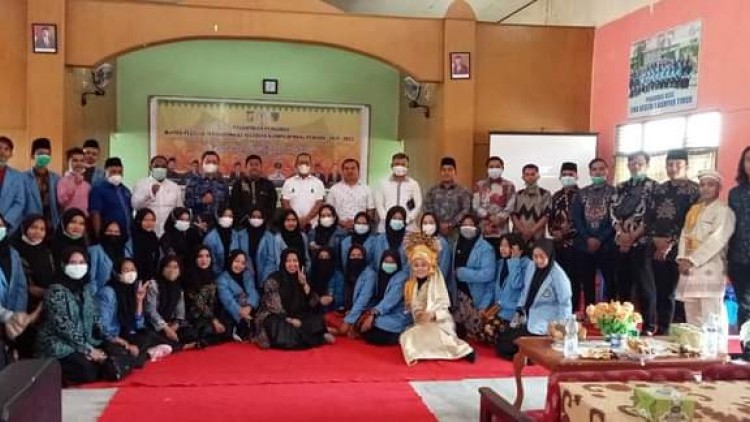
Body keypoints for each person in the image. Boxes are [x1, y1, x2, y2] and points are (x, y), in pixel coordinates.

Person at [676, 170, 734, 352]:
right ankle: (696, 352)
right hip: (689, 269)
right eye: (702, 185)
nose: (705, 188)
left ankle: (717, 353)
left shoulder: (724, 211)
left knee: (712, 315)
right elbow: (684, 235)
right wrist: (682, 258)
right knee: (692, 314)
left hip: (710, 268)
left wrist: (692, 260)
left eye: (710, 185)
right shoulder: (694, 210)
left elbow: (717, 240)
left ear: (719, 188)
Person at [646, 149, 699, 333]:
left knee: (678, 293)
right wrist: (655, 239)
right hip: (656, 247)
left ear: (686, 166)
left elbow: (691, 221)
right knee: (660, 289)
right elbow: (648, 216)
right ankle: (661, 329)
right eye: (669, 164)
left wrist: (671, 242)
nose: (673, 168)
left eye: (677, 164)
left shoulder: (695, 191)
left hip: (681, 249)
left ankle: (678, 331)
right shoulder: (659, 189)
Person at [35, 247, 106, 385]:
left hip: (83, 340)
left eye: (81, 262)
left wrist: (102, 341)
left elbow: (94, 316)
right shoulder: (55, 291)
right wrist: (88, 350)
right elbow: (63, 327)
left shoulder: (85, 288)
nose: (78, 266)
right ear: (63, 265)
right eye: (73, 263)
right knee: (87, 372)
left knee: (107, 360)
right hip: (58, 342)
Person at [399, 235, 474, 365]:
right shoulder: (411, 284)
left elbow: (444, 310)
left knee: (412, 338)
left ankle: (461, 350)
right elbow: (413, 309)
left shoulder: (436, 282)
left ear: (430, 266)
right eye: (416, 265)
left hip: (439, 324)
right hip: (421, 324)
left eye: (423, 265)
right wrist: (419, 315)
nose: (420, 268)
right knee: (406, 336)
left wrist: (432, 315)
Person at [496, 239, 573, 359]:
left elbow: (565, 303)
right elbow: (525, 290)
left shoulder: (558, 276)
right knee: (502, 342)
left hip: (545, 323)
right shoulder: (531, 266)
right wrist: (519, 309)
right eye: (535, 256)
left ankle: (533, 357)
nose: (538, 260)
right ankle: (531, 356)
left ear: (549, 255)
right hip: (526, 318)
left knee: (511, 347)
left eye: (542, 257)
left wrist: (560, 330)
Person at [611, 151, 657, 334]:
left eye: (640, 163)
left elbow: (651, 215)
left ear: (647, 165)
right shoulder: (620, 187)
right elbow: (612, 212)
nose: (635, 166)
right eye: (632, 163)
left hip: (642, 243)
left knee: (645, 286)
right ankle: (624, 324)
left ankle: (649, 326)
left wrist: (633, 236)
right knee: (623, 285)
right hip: (621, 243)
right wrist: (621, 233)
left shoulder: (654, 187)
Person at [253, 249, 334, 349]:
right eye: (288, 261)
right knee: (277, 326)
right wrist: (291, 320)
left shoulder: (302, 277)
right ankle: (318, 338)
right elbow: (274, 307)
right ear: (283, 262)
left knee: (317, 319)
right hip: (279, 316)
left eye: (295, 261)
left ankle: (306, 335)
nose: (292, 264)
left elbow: (313, 303)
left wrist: (304, 284)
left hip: (299, 316)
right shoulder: (274, 279)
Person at [97, 258, 171, 369]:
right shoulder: (108, 292)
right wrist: (125, 344)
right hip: (110, 337)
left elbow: (138, 324)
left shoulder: (132, 289)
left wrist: (139, 300)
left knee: (149, 337)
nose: (130, 273)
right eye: (125, 270)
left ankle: (134, 358)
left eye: (132, 270)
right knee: (118, 353)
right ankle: (141, 356)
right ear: (117, 273)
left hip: (125, 334)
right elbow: (102, 328)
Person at [571, 158, 617, 310]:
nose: (598, 172)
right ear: (590, 172)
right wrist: (588, 238)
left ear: (607, 171)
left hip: (608, 245)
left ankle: (610, 314)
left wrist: (600, 239)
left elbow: (616, 219)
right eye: (594, 169)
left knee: (610, 282)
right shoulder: (581, 193)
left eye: (601, 169)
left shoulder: (614, 193)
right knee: (587, 282)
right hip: (584, 246)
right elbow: (577, 219)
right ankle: (590, 312)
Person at [11, 215, 53, 358]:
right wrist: (32, 290)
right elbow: (19, 280)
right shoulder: (15, 249)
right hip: (23, 299)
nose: (37, 232)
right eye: (33, 227)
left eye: (42, 229)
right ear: (24, 228)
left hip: (45, 297)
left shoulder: (46, 250)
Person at [482, 234, 533, 344]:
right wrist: (484, 306)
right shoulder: (500, 263)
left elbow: (516, 284)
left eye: (507, 246)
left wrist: (515, 260)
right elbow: (492, 288)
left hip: (514, 313)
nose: (502, 249)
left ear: (516, 247)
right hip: (499, 310)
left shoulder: (527, 264)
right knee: (480, 330)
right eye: (501, 245)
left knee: (489, 332)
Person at [452, 214, 496, 339]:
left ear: (477, 227)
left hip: (475, 299)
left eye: (471, 225)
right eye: (464, 225)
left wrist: (462, 273)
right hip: (457, 298)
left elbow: (488, 275)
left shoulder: (486, 248)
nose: (467, 227)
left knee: (476, 338)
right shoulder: (456, 244)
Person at [145, 256, 199, 351]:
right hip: (154, 324)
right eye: (168, 266)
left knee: (192, 332)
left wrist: (175, 325)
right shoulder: (153, 285)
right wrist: (166, 328)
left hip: (170, 323)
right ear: (162, 268)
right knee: (150, 336)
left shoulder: (178, 287)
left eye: (175, 267)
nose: (172, 270)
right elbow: (151, 311)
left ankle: (171, 345)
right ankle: (180, 346)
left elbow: (180, 312)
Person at [0, 213, 33, 366]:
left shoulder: (12, 253)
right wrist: (7, 316)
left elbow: (21, 286)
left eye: (1, 225)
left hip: (13, 318)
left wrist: (17, 316)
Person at [183, 247, 232, 347]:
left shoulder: (212, 275)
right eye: (200, 256)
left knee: (227, 325)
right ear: (194, 259)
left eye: (207, 256)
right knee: (204, 329)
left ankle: (205, 340)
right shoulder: (189, 277)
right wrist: (213, 320)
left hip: (211, 314)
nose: (204, 260)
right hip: (195, 315)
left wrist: (217, 318)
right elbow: (198, 302)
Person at [359, 252, 411, 346]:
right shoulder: (380, 276)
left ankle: (400, 337)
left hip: (398, 314)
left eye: (392, 262)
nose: (389, 265)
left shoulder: (401, 278)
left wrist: (373, 314)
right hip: (384, 313)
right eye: (386, 262)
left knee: (376, 330)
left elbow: (390, 300)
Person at [131, 155, 184, 238]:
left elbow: (179, 211)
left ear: (167, 168)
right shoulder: (141, 184)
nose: (160, 169)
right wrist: (150, 193)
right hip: (147, 232)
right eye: (157, 166)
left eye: (163, 166)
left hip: (168, 234)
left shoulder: (174, 187)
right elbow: (136, 206)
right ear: (150, 168)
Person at [473, 156, 516, 251]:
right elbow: (476, 206)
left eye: (497, 166)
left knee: (501, 256)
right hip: (484, 230)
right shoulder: (479, 185)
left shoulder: (509, 185)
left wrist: (499, 218)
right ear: (487, 169)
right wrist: (489, 216)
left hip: (502, 231)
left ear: (502, 168)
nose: (494, 169)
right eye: (491, 167)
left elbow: (510, 206)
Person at [423, 157, 472, 238]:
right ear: (440, 172)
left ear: (455, 172)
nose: (446, 173)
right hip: (435, 231)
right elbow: (427, 208)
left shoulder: (463, 191)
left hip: (456, 232)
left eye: (450, 170)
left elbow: (466, 210)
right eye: (444, 170)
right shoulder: (432, 191)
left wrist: (450, 224)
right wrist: (438, 224)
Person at [729, 146, 750, 331]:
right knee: (744, 305)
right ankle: (747, 344)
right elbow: (730, 226)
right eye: (748, 160)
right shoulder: (735, 193)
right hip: (739, 259)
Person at [259, 209, 311, 283]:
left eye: (293, 220)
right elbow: (278, 261)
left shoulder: (303, 236)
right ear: (283, 222)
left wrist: (305, 273)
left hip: (302, 275)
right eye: (288, 220)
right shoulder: (278, 238)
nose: (291, 223)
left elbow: (307, 258)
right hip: (285, 278)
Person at [217, 250, 259, 341]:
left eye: (243, 263)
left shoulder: (247, 274)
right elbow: (228, 301)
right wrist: (241, 312)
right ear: (230, 261)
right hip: (233, 310)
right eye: (236, 261)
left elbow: (253, 291)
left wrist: (249, 307)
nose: (239, 265)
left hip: (248, 308)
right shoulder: (222, 279)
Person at [548, 162, 579, 283]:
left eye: (570, 174)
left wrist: (566, 233)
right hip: (557, 244)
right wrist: (553, 232)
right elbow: (550, 217)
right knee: (558, 277)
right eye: (564, 174)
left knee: (573, 279)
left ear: (576, 176)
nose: (567, 177)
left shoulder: (581, 195)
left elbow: (582, 220)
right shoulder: (556, 196)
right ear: (560, 177)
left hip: (575, 244)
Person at [375, 153, 422, 233]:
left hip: (409, 228)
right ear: (391, 166)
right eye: (397, 164)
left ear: (407, 167)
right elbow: (379, 205)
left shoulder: (414, 184)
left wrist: (407, 220)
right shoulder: (382, 184)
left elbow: (418, 205)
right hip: (385, 228)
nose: (400, 167)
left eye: (403, 164)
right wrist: (388, 220)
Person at [326, 159, 376, 232]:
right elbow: (329, 211)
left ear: (358, 170)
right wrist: (342, 223)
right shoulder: (334, 189)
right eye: (346, 168)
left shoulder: (367, 189)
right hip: (339, 229)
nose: (350, 171)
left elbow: (370, 210)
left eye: (353, 168)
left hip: (361, 229)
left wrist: (358, 223)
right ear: (342, 171)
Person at [90, 157, 133, 241]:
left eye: (119, 172)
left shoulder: (125, 190)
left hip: (126, 235)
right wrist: (98, 236)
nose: (117, 175)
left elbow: (130, 212)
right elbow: (95, 213)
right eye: (113, 172)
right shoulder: (98, 189)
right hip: (109, 235)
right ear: (105, 171)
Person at [281, 153, 325, 231]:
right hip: (292, 226)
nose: (304, 165)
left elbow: (319, 204)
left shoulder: (318, 183)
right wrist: (295, 219)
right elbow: (285, 203)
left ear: (311, 165)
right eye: (301, 163)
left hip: (313, 227)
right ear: (296, 165)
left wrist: (306, 220)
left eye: (306, 163)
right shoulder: (288, 182)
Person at [22, 138, 60, 229]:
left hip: (51, 224)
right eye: (40, 153)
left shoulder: (56, 178)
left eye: (47, 154)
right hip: (30, 223)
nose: (44, 157)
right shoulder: (22, 178)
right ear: (32, 156)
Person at [184, 151, 228, 229]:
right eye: (208, 162)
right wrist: (202, 201)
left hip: (217, 226)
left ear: (218, 165)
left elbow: (226, 204)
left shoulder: (223, 183)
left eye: (214, 162)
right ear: (202, 164)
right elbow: (187, 203)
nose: (211, 164)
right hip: (198, 225)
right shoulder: (193, 181)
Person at [229, 155, 277, 225]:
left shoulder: (269, 185)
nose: (254, 167)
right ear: (245, 168)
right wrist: (248, 217)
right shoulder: (238, 184)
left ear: (261, 167)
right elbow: (234, 205)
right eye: (251, 165)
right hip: (243, 224)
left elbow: (272, 205)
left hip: (264, 224)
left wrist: (261, 216)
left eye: (257, 165)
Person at [339, 246, 377, 334]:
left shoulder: (370, 274)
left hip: (364, 310)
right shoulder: (348, 271)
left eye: (359, 255)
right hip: (348, 310)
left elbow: (363, 299)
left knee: (346, 331)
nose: (355, 258)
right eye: (352, 255)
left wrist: (349, 320)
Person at [89, 220, 132, 297]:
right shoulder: (95, 250)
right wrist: (93, 296)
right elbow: (91, 277)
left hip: (123, 295)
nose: (113, 234)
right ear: (103, 232)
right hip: (102, 296)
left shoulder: (125, 251)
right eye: (109, 231)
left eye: (116, 232)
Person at [512, 164, 552, 245]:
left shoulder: (545, 194)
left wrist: (531, 231)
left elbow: (546, 215)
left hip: (538, 236)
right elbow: (513, 215)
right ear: (523, 177)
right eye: (527, 174)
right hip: (519, 236)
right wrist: (522, 230)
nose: (530, 177)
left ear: (538, 176)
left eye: (532, 174)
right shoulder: (518, 194)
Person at [203, 206, 245, 276]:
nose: (228, 218)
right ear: (219, 217)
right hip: (216, 275)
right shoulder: (210, 238)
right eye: (225, 216)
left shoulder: (236, 235)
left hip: (235, 273)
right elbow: (210, 261)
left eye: (230, 216)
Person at [239, 206, 274, 288]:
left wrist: (264, 278)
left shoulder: (269, 236)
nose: (256, 219)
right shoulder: (240, 235)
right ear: (249, 218)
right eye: (253, 217)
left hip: (264, 277)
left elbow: (271, 260)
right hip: (244, 275)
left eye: (259, 217)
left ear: (263, 219)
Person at [0, 137, 26, 233]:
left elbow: (20, 202)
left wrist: (4, 221)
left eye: (6, 149)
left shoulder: (18, 176)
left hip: (7, 226)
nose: (2, 152)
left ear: (11, 154)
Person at [371, 206, 408, 271]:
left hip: (402, 276)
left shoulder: (409, 239)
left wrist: (399, 276)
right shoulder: (379, 239)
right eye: (394, 218)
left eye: (400, 219)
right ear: (389, 219)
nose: (397, 221)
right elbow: (375, 262)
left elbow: (409, 265)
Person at [57, 147, 91, 215]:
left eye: (82, 161)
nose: (79, 163)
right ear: (68, 162)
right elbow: (62, 202)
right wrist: (74, 184)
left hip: (84, 219)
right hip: (68, 218)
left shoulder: (87, 185)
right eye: (75, 160)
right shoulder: (62, 181)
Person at [130, 209, 161, 283]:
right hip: (135, 277)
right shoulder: (133, 236)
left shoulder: (153, 236)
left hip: (151, 277)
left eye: (152, 220)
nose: (149, 223)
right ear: (139, 220)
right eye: (146, 220)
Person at [419, 212, 452, 280]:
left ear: (436, 224)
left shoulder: (442, 243)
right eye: (425, 223)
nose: (428, 225)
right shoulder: (419, 242)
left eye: (431, 223)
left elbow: (443, 269)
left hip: (435, 282)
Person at [308, 247, 340, 312]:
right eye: (321, 257)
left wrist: (332, 299)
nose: (323, 260)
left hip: (331, 311)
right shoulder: (312, 274)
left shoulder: (337, 276)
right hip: (312, 311)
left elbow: (341, 298)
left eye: (327, 257)